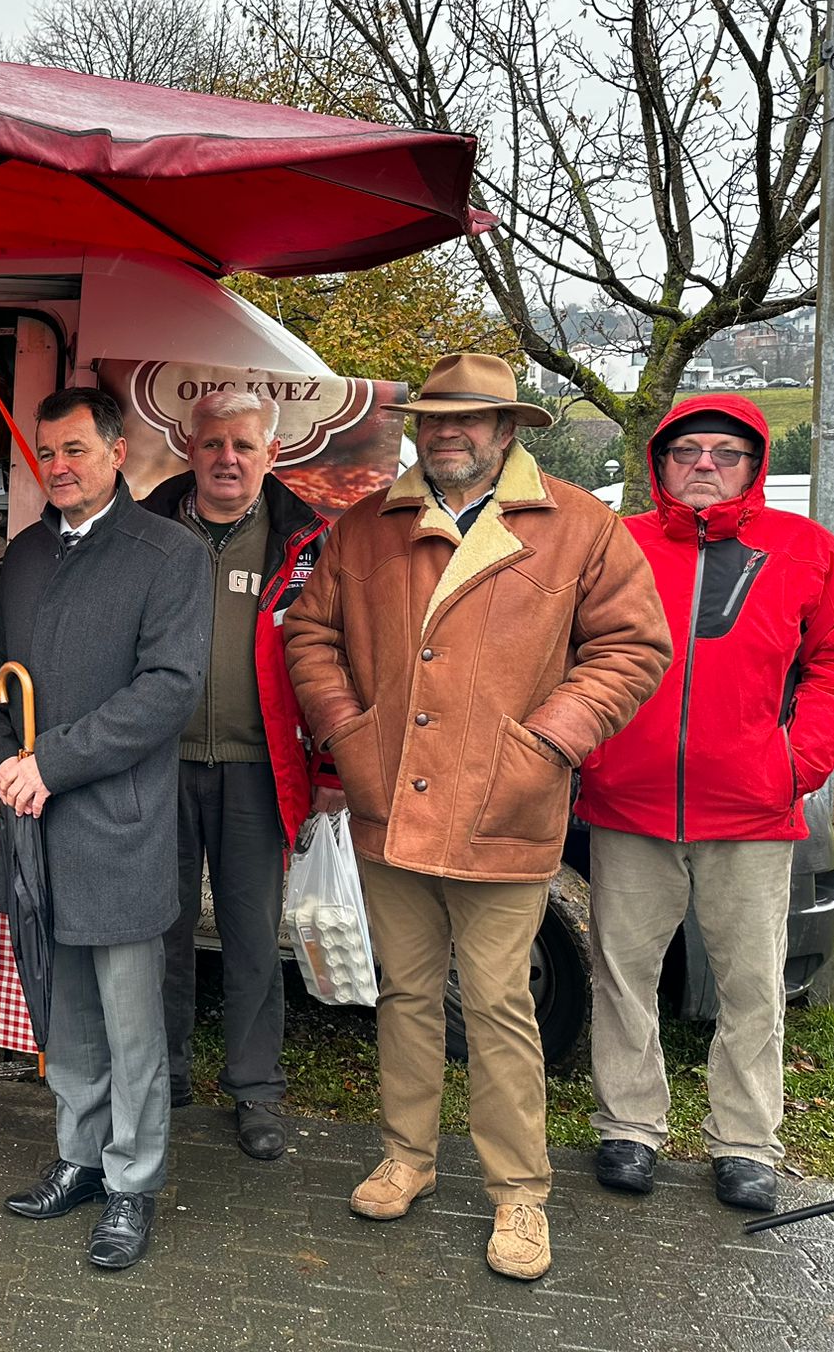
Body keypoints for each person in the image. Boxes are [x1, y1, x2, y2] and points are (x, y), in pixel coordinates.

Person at [283, 353, 669, 1282]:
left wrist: (549, 742)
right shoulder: (366, 525)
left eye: (469, 418)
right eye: (434, 418)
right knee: (407, 994)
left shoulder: (579, 525)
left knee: (498, 1005)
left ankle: (519, 1193)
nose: (448, 432)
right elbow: (310, 631)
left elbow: (632, 647)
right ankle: (407, 1157)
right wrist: (347, 729)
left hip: (507, 807)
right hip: (390, 803)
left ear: (506, 430)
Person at [576, 396, 834, 1213]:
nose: (705, 464)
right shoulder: (615, 545)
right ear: (660, 462)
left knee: (752, 986)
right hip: (628, 806)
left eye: (726, 452)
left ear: (755, 464)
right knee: (622, 976)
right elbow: (567, 650)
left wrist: (796, 763)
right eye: (688, 451)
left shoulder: (809, 552)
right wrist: (592, 754)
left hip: (751, 812)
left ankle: (744, 1143)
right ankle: (629, 1127)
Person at [0, 388, 209, 1269]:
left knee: (130, 1022)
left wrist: (51, 763)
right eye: (46, 452)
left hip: (116, 825)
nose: (58, 467)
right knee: (64, 1007)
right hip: (33, 818)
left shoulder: (169, 553)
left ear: (118, 452)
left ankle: (132, 1182)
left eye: (75, 449)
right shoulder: (27, 553)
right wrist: (2, 764)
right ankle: (80, 1157)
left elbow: (167, 691)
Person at [142, 390, 329, 1160]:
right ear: (188, 447)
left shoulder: (307, 542)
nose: (228, 459)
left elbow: (332, 654)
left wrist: (330, 762)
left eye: (244, 446)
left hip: (259, 768)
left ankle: (256, 1089)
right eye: (214, 443)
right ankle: (165, 1075)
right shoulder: (145, 530)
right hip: (156, 764)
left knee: (253, 936)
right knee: (161, 931)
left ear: (271, 454)